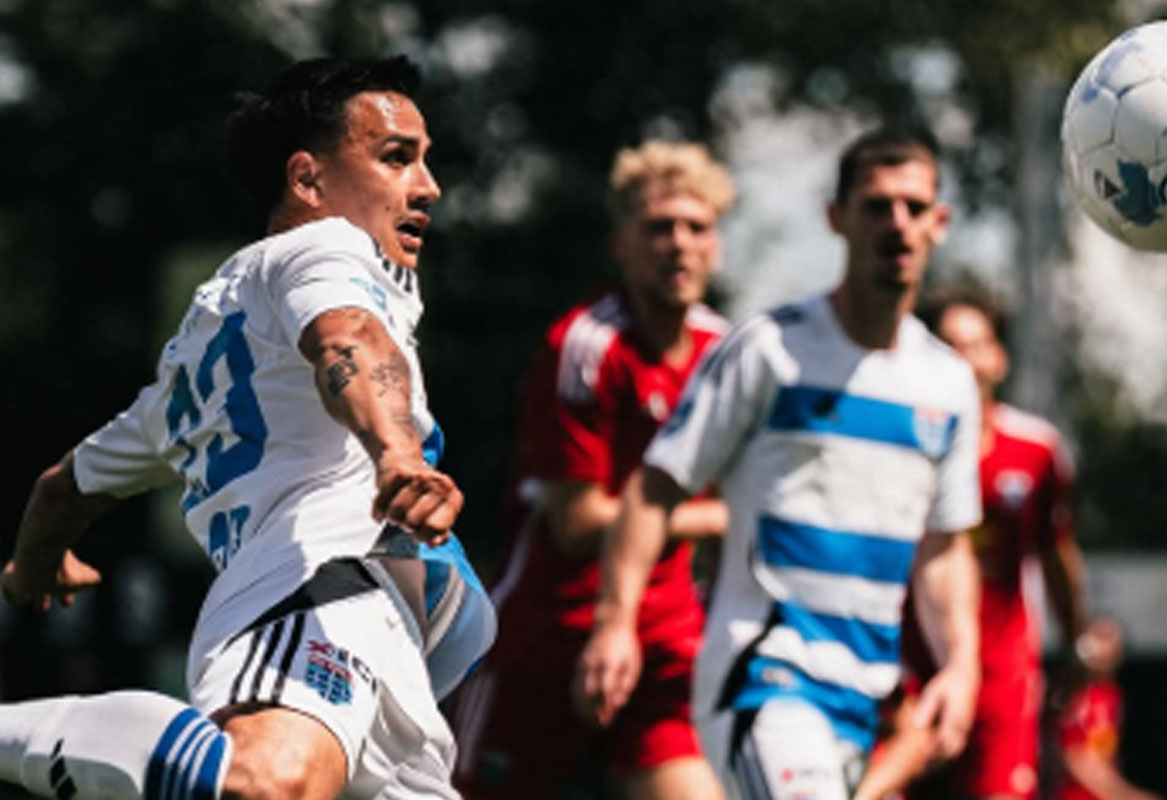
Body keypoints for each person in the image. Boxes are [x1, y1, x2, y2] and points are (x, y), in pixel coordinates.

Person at [0, 55, 495, 800]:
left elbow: (60, 489)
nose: (428, 186)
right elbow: (348, 338)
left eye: (424, 160)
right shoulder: (321, 247)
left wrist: (33, 565)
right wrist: (396, 454)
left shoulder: (188, 377)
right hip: (315, 590)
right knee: (260, 784)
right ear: (307, 180)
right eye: (397, 158)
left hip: (375, 643)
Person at [575, 126, 984, 800]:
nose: (897, 224)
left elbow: (944, 546)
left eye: (914, 208)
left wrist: (961, 665)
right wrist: (615, 623)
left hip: (869, 696)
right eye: (876, 206)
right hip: (765, 677)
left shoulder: (948, 382)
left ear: (939, 223)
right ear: (836, 218)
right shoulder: (767, 349)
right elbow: (654, 490)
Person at [451, 140, 733, 800]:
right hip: (550, 633)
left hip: (666, 635)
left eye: (696, 227)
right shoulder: (586, 347)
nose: (679, 244)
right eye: (659, 227)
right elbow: (577, 523)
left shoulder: (727, 354)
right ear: (621, 244)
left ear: (716, 245)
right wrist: (716, 518)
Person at [895, 286, 1088, 800]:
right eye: (951, 346)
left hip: (1003, 677)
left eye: (978, 345)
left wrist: (1076, 641)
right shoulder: (896, 445)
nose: (966, 361)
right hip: (908, 674)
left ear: (999, 357)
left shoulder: (1035, 450)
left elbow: (1056, 555)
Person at [1053, 618, 1160, 800]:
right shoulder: (1079, 694)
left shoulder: (1110, 694)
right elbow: (1076, 757)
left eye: (1108, 638)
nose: (1101, 646)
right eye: (1097, 637)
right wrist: (1126, 795)